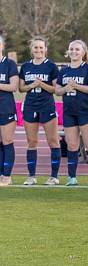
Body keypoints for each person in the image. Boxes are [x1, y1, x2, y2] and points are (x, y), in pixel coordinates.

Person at [55, 39, 88, 187]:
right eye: (71, 49)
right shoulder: (64, 70)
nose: (74, 52)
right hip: (69, 112)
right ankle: (72, 178)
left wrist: (76, 86)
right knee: (72, 146)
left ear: (83, 52)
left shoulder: (87, 69)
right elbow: (57, 90)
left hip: (85, 111)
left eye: (77, 49)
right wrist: (65, 89)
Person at [19, 36, 60, 185]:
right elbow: (21, 87)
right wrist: (31, 86)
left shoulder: (51, 66)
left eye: (41, 47)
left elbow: (56, 89)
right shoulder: (25, 66)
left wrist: (41, 84)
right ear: (31, 49)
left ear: (45, 49)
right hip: (30, 106)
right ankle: (31, 176)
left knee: (53, 141)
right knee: (32, 142)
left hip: (46, 106)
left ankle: (54, 176)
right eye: (36, 47)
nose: (38, 50)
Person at [0, 35, 19, 186]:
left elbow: (13, 86)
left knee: (7, 141)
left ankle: (7, 175)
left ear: (2, 46)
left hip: (6, 107)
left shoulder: (9, 64)